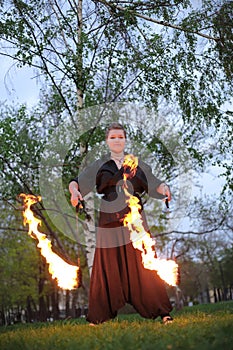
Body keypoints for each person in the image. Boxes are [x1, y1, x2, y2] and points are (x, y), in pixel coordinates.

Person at [69, 122, 173, 325]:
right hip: (109, 220)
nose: (117, 140)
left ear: (125, 140)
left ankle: (162, 311)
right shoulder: (100, 165)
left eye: (120, 137)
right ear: (107, 141)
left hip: (135, 220)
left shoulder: (136, 163)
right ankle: (98, 316)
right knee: (105, 267)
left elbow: (155, 183)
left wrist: (165, 188)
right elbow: (77, 182)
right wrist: (74, 191)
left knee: (145, 263)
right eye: (112, 137)